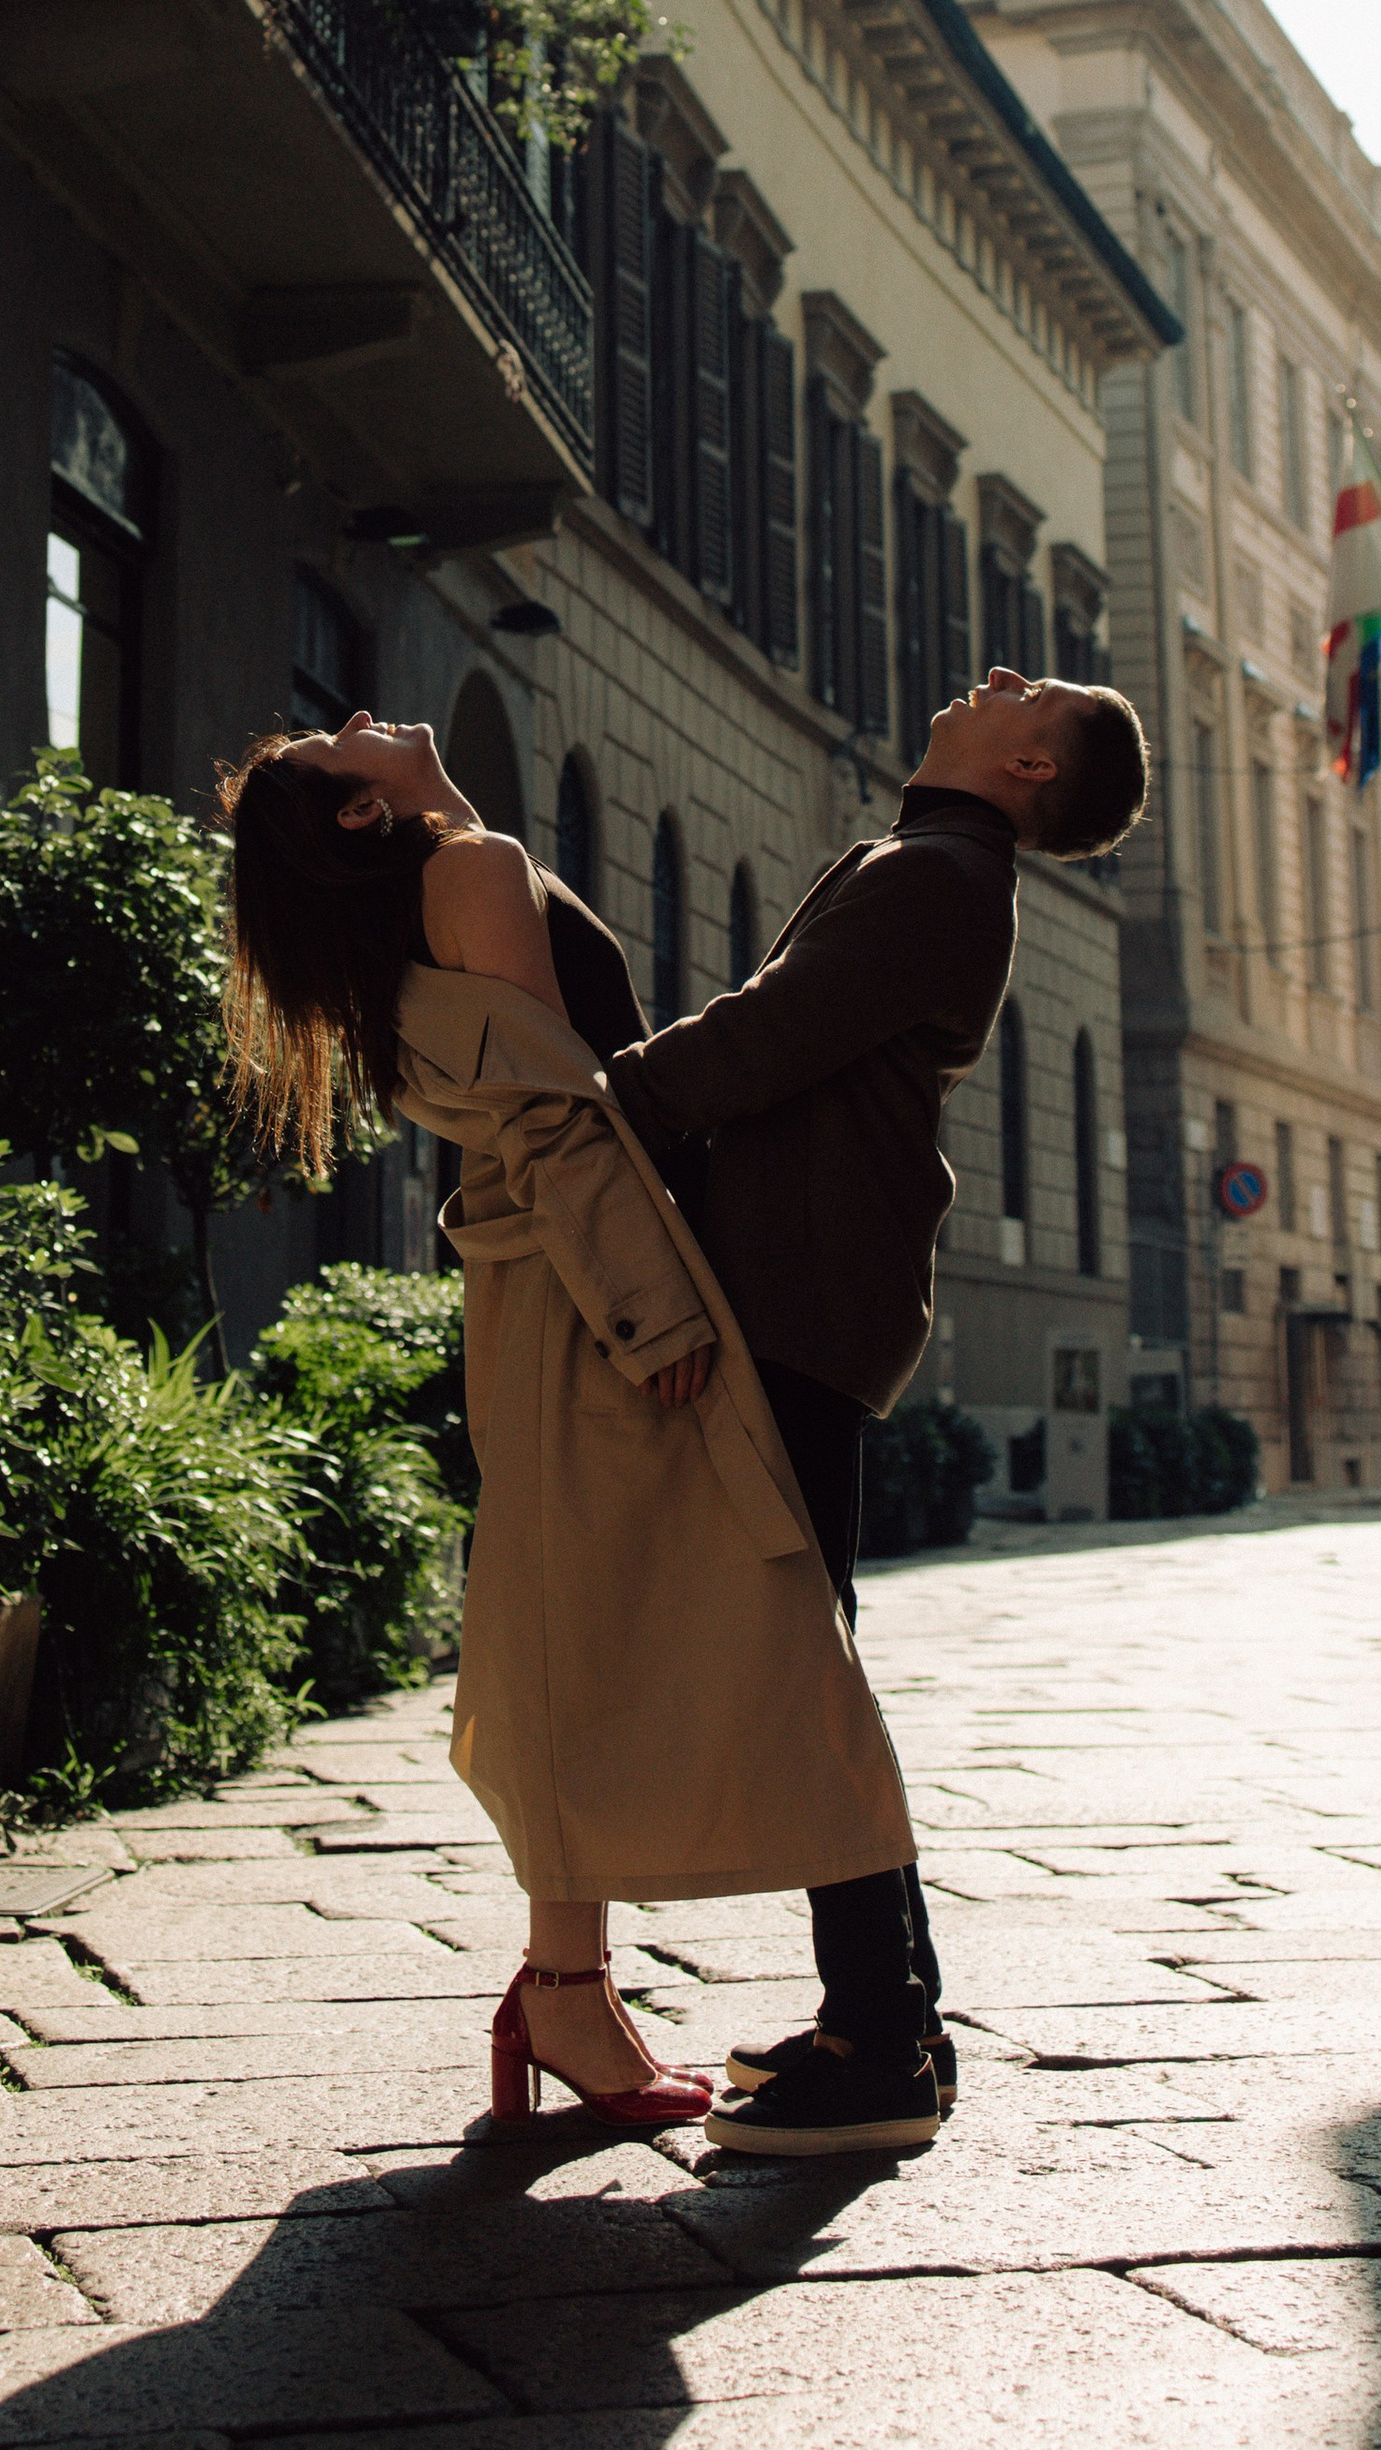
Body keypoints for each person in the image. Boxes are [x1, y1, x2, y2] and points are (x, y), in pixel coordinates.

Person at [221, 708, 916, 2139]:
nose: (363, 718)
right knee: (705, 1620)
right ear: (361, 816)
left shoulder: (452, 874)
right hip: (608, 1291)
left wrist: (446, 801)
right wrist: (655, 1314)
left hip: (557, 1290)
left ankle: (568, 1985)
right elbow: (564, 1115)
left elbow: (537, 1049)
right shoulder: (469, 869)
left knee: (571, 1622)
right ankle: (643, 1990)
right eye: (341, 744)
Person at [607, 666, 1150, 2159]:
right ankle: (884, 2016)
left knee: (802, 1666)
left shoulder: (938, 874)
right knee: (804, 1655)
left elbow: (766, 1033)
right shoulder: (933, 865)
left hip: (797, 1299)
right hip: (806, 1292)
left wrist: (590, 1109)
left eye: (1021, 689)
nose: (989, 679)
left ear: (1031, 759)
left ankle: (886, 2037)